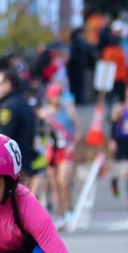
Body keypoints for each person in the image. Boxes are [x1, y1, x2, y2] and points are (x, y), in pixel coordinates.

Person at [38, 83, 82, 227]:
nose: (58, 98)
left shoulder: (69, 111)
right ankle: (61, 214)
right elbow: (39, 133)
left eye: (60, 94)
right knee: (55, 184)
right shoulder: (45, 113)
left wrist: (74, 144)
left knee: (64, 181)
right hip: (52, 150)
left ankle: (70, 209)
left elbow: (79, 130)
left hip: (66, 150)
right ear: (50, 97)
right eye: (55, 95)